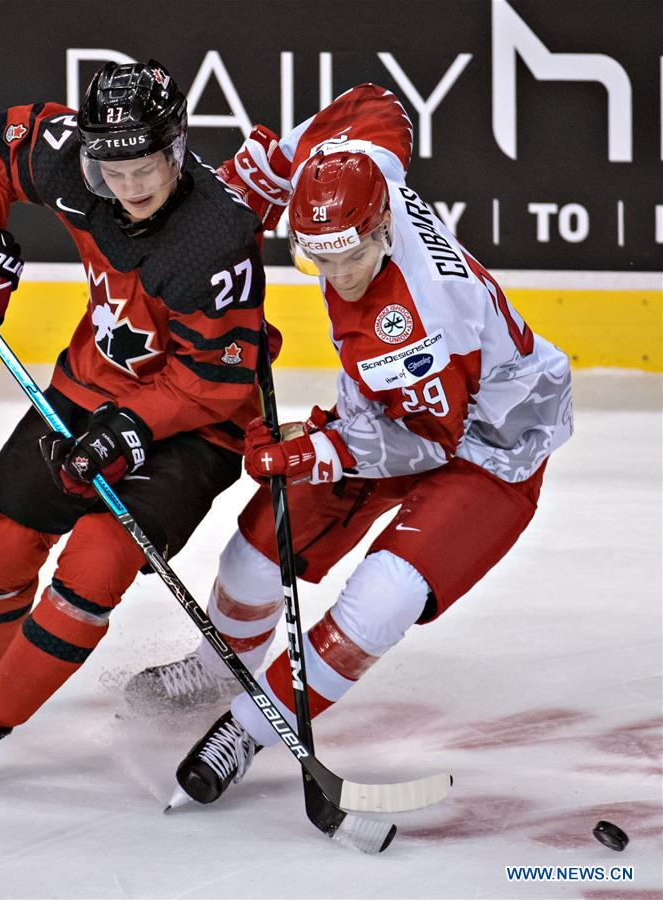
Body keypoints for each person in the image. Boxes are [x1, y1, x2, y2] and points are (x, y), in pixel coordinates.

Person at [126, 83, 574, 805]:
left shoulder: (418, 321)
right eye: (318, 261)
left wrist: (315, 451)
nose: (337, 277)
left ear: (382, 232)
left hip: (490, 448)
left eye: (351, 260)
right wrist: (264, 174)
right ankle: (217, 668)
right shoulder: (362, 175)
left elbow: (428, 444)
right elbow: (374, 105)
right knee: (256, 547)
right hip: (389, 412)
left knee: (382, 598)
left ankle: (250, 726)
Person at [0, 59, 278, 790]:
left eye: (145, 170)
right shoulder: (71, 156)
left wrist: (131, 428)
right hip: (92, 384)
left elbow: (216, 385)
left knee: (97, 558)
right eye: (111, 172)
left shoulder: (215, 238)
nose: (127, 189)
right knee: (2, 529)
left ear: (178, 151)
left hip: (195, 423)